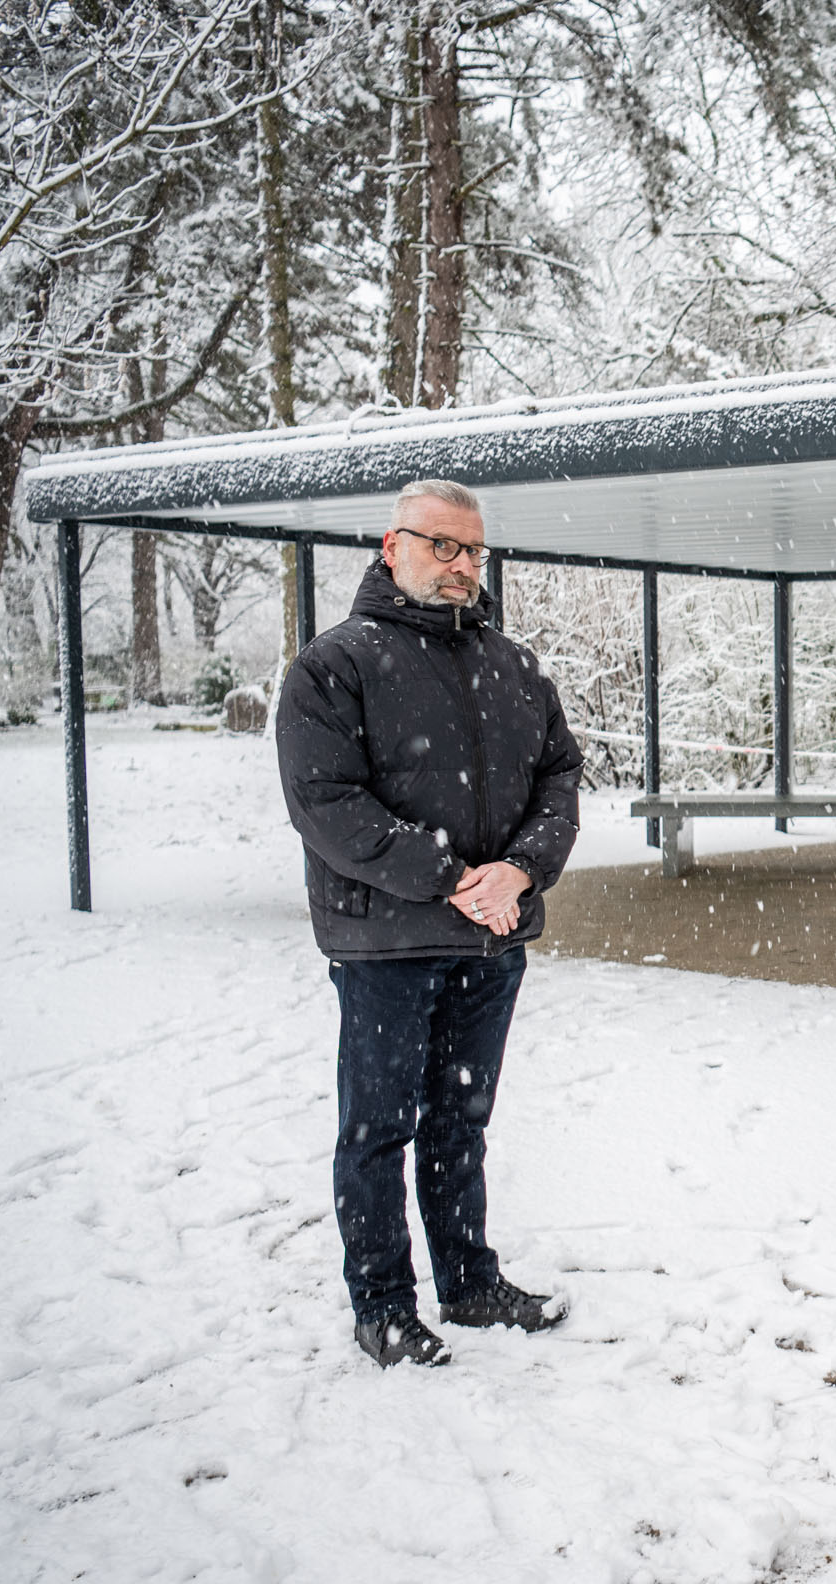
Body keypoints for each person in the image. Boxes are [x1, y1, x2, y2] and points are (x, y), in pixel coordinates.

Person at [276, 479, 584, 1368]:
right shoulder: (334, 668)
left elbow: (559, 778)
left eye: (472, 551)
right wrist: (452, 878)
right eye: (441, 546)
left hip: (492, 942)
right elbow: (328, 805)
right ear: (392, 545)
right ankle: (381, 1304)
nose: (459, 566)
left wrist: (521, 870)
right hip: (388, 945)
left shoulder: (515, 666)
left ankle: (470, 1281)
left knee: (461, 1121)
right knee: (379, 1128)